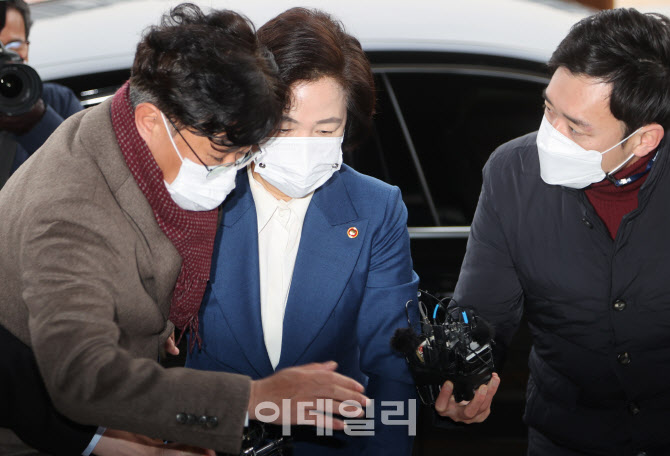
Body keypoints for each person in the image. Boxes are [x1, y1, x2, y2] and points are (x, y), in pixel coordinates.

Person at [0, 3, 369, 455]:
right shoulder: (70, 212)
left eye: (244, 155)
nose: (230, 173)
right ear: (151, 122)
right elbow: (85, 377)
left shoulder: (127, 125)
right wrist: (254, 398)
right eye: (217, 156)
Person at [434, 7, 670, 455]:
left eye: (576, 129)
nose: (551, 136)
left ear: (643, 140)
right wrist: (461, 377)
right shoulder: (511, 173)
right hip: (568, 439)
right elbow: (482, 315)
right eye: (548, 109)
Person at [186, 8, 418, 456]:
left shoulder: (375, 208)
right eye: (284, 127)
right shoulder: (200, 195)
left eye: (326, 129)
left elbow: (392, 369)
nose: (304, 145)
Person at [0, 0, 83, 189]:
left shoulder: (58, 102)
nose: (4, 57)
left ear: (27, 49)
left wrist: (38, 121)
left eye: (14, 46)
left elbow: (88, 175)